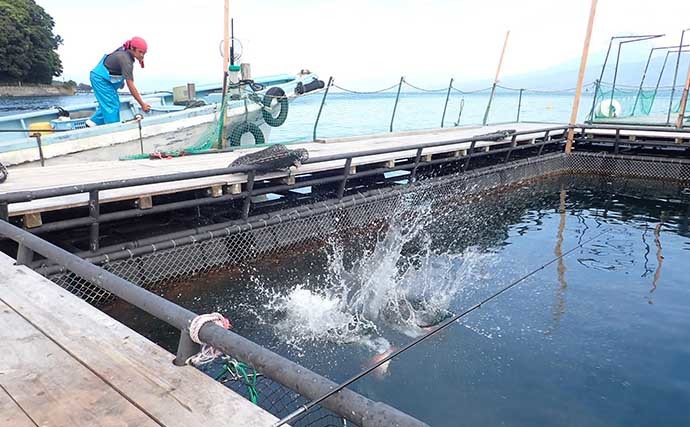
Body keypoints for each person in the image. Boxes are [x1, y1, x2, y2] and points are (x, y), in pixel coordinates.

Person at [86, 37, 151, 127]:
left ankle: (92, 122)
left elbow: (115, 67)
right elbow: (131, 85)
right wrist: (142, 104)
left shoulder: (125, 51)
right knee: (112, 105)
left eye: (144, 53)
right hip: (100, 79)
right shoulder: (126, 60)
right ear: (132, 48)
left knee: (111, 101)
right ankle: (113, 131)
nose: (142, 55)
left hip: (106, 78)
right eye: (140, 52)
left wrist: (121, 82)